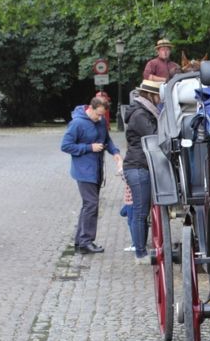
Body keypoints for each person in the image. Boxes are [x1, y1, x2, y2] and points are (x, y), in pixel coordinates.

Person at [61, 96, 122, 254]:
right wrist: (89, 148)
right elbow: (66, 146)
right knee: (91, 204)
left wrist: (115, 152)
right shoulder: (77, 123)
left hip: (96, 170)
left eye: (102, 115)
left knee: (88, 205)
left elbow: (107, 140)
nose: (100, 118)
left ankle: (79, 240)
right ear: (91, 108)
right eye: (98, 114)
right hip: (84, 171)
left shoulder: (100, 122)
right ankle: (86, 242)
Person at [123, 78, 161, 263]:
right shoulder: (140, 115)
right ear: (151, 96)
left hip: (140, 166)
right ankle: (140, 253)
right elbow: (153, 135)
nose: (160, 99)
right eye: (158, 96)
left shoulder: (144, 112)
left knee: (141, 211)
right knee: (140, 212)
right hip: (138, 167)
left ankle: (141, 249)